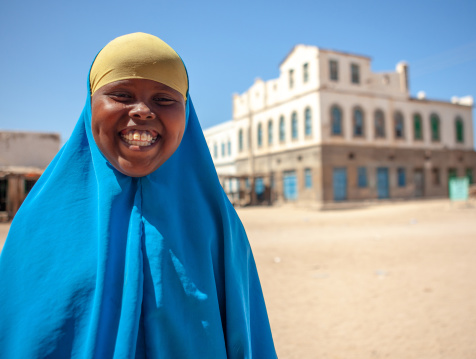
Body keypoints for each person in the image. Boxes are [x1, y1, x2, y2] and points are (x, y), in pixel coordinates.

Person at [0, 33, 277, 358]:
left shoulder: (218, 225)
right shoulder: (38, 225)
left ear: (186, 113)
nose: (143, 110)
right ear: (91, 105)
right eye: (121, 94)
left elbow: (248, 340)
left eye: (164, 99)